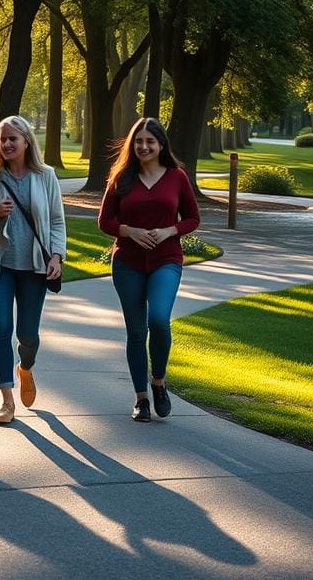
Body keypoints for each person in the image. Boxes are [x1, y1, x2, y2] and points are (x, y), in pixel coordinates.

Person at [98, 117, 200, 422]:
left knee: (158, 319)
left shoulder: (177, 177)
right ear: (133, 144)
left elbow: (193, 218)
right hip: (127, 263)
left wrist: (171, 231)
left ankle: (158, 382)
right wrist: (128, 231)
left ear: (161, 145)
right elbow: (105, 221)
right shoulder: (121, 178)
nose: (144, 146)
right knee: (136, 330)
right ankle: (141, 398)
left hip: (166, 260)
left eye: (150, 142)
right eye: (139, 141)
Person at [0, 115, 66, 425]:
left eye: (13, 138)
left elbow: (57, 221)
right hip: (0, 268)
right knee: (1, 330)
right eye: (3, 139)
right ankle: (6, 400)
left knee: (28, 335)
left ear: (26, 141)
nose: (7, 143)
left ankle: (24, 368)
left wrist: (56, 256)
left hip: (35, 268)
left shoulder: (46, 176)